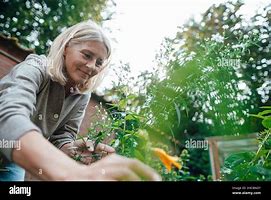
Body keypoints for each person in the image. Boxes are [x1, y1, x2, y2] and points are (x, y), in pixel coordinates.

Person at [0, 20, 161, 181]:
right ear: (66, 48)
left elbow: (62, 136)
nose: (92, 66)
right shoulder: (35, 69)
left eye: (99, 62)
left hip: (10, 161)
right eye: (87, 55)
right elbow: (8, 116)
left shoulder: (82, 95)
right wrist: (72, 172)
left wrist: (70, 149)